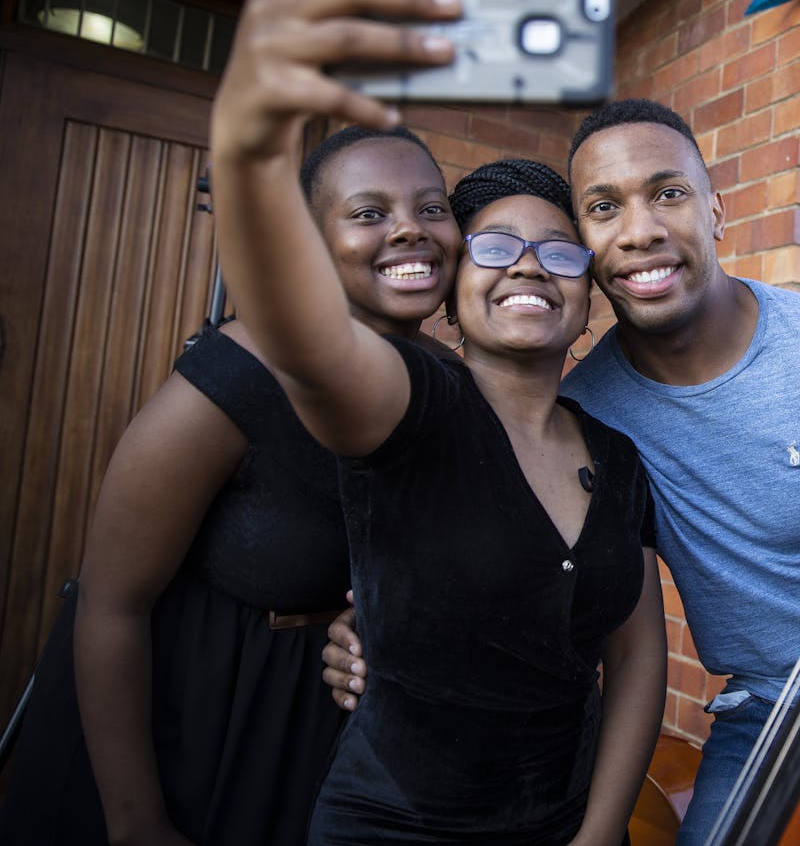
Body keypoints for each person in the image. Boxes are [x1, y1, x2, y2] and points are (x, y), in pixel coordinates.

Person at [326, 98, 800, 843]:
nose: (641, 230)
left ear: (716, 211)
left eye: (668, 193)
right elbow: (484, 536)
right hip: (764, 716)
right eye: (603, 207)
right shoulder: (586, 415)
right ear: (585, 246)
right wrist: (378, 622)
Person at [209, 0, 665, 844]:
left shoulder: (614, 454)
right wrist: (249, 152)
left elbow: (638, 654)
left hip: (563, 821)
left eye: (560, 250)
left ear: (588, 297)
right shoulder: (412, 403)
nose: (529, 266)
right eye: (494, 246)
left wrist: (599, 832)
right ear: (453, 295)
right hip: (392, 823)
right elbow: (307, 345)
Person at [0, 120, 460, 845]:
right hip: (186, 734)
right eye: (370, 213)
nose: (411, 229)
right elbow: (112, 603)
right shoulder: (234, 380)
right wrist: (136, 821)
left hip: (329, 745)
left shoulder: (449, 385)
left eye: (432, 207)